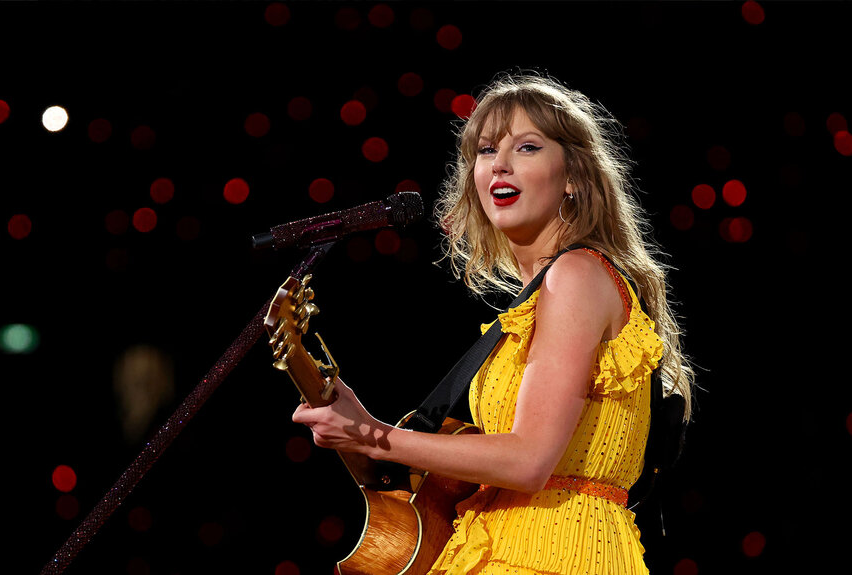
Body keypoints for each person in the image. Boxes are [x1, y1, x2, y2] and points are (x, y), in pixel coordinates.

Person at [292, 71, 694, 575]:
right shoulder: (533, 307)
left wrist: (372, 433)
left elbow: (528, 460)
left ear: (573, 176)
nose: (500, 164)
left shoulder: (577, 275)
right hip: (494, 545)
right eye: (486, 150)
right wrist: (364, 431)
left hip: (554, 552)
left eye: (527, 147)